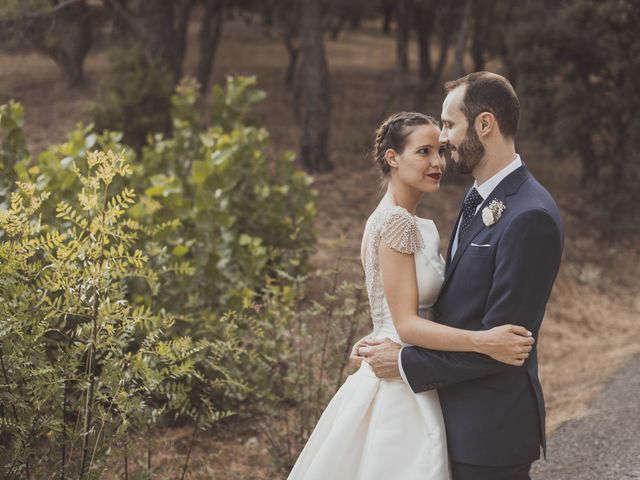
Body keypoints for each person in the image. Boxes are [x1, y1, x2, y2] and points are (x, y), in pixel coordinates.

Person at [287, 108, 535, 480]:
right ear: (393, 158)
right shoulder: (396, 222)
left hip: (408, 366)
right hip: (401, 385)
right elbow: (405, 323)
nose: (437, 162)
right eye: (423, 152)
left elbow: (386, 309)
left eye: (439, 150)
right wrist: (485, 341)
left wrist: (374, 336)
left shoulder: (397, 219)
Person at [360, 72, 564, 480]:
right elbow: (449, 307)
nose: (444, 140)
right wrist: (386, 337)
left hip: (490, 429)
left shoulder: (530, 215)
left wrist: (403, 360)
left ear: (484, 124)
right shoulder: (477, 198)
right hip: (447, 414)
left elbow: (504, 344)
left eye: (450, 125)